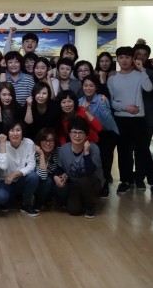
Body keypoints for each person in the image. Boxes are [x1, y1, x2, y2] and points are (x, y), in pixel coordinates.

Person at [107, 46, 153, 193]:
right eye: (121, 57)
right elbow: (111, 102)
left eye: (127, 57)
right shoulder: (112, 78)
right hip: (121, 119)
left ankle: (151, 181)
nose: (124, 60)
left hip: (138, 119)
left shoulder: (139, 75)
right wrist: (125, 108)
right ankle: (125, 180)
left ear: (132, 59)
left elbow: (149, 88)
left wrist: (142, 69)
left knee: (144, 150)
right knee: (123, 151)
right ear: (117, 59)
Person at [54, 117, 103, 218]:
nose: (77, 136)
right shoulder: (63, 149)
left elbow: (90, 171)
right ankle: (81, 202)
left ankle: (89, 207)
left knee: (83, 180)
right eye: (74, 132)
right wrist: (60, 176)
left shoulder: (94, 148)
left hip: (92, 183)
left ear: (86, 135)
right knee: (73, 210)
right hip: (74, 185)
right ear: (69, 133)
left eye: (81, 133)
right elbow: (59, 168)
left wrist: (86, 153)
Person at [79, 74, 119, 197]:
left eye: (91, 86)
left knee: (105, 159)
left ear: (96, 87)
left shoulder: (102, 99)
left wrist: (102, 106)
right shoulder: (79, 101)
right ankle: (95, 184)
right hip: (90, 134)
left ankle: (105, 183)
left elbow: (108, 120)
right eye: (85, 85)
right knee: (93, 159)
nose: (88, 88)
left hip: (106, 132)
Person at [0, 121, 39, 216]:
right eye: (11, 130)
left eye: (18, 130)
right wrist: (2, 143)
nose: (15, 134)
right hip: (4, 181)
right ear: (7, 133)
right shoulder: (1, 146)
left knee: (33, 176)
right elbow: (3, 166)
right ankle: (8, 199)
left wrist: (15, 173)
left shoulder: (29, 143)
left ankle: (26, 204)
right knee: (1, 197)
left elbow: (31, 165)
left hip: (20, 179)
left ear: (22, 132)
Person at [33, 127, 60, 210]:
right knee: (47, 181)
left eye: (51, 140)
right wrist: (41, 154)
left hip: (54, 182)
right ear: (39, 142)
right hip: (39, 184)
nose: (48, 143)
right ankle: (39, 202)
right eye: (44, 140)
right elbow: (43, 176)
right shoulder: (35, 153)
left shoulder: (59, 151)